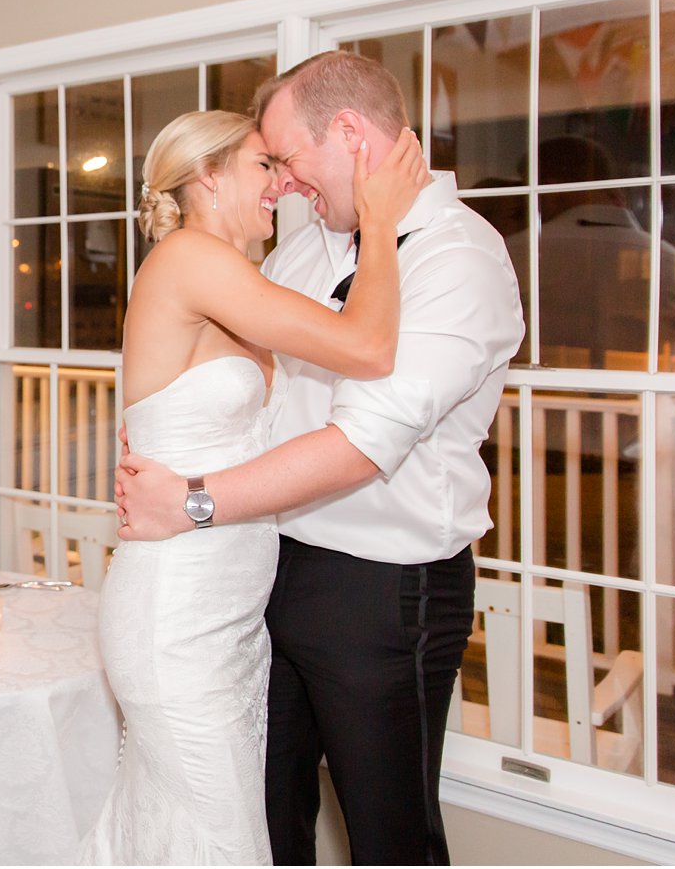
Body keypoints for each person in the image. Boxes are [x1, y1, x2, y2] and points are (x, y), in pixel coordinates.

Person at [115, 51, 525, 865]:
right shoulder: (304, 255)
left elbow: (361, 442)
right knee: (267, 822)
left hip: (382, 591)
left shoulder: (457, 258)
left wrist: (192, 497)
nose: (287, 183)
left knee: (388, 836)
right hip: (266, 573)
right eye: (264, 166)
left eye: (287, 159)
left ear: (347, 133)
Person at [77, 109, 428, 866]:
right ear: (207, 175)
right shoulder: (187, 260)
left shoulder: (232, 272)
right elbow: (367, 346)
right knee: (222, 843)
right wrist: (380, 218)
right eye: (265, 165)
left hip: (232, 618)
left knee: (183, 836)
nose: (284, 184)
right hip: (177, 615)